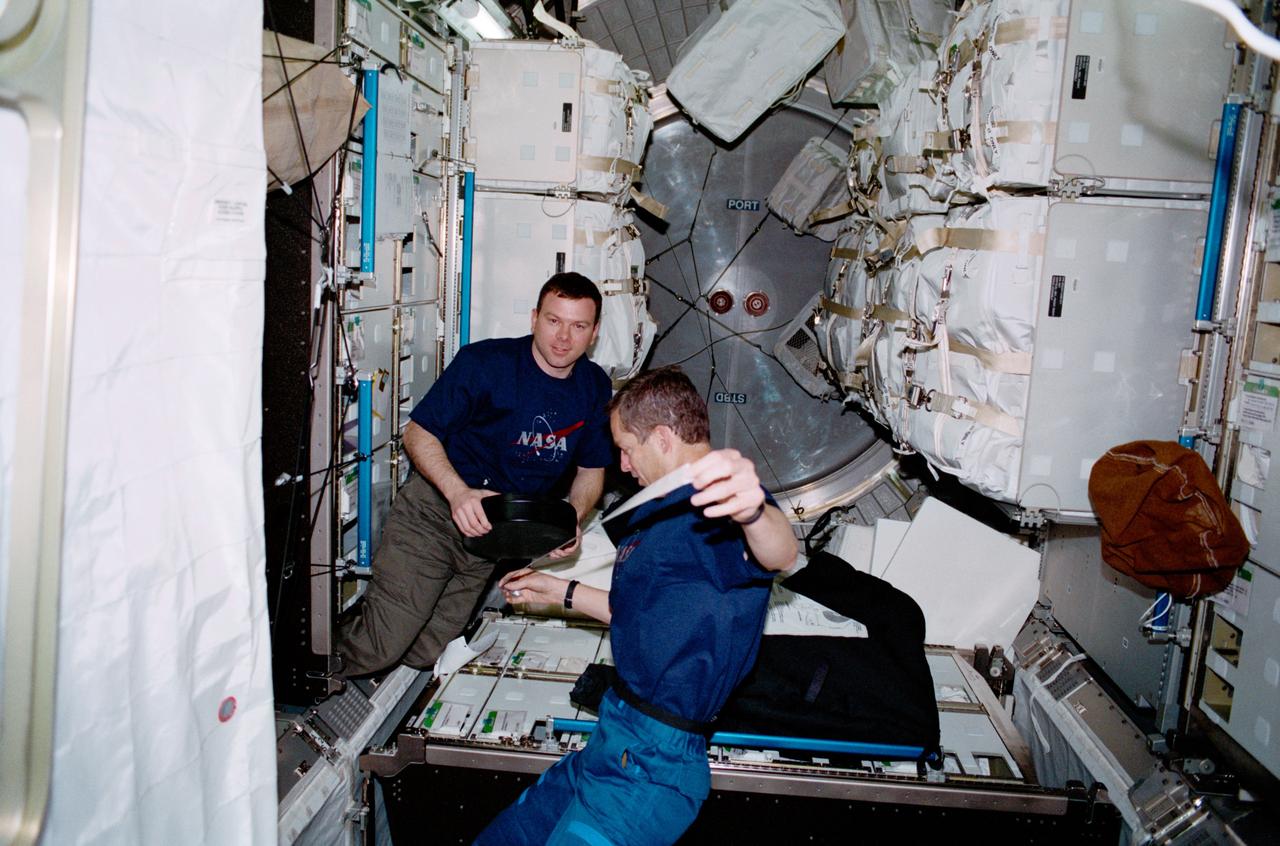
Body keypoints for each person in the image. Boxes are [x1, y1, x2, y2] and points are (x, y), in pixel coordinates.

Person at [474, 366, 798, 846]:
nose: (623, 466)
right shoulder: (660, 510)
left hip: (651, 765)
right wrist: (560, 591)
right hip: (613, 735)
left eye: (626, 448)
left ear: (663, 438)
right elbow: (643, 615)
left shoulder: (720, 506)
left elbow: (779, 554)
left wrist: (753, 513)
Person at [336, 272, 613, 676]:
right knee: (381, 645)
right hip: (436, 515)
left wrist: (572, 518)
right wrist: (458, 493)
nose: (563, 337)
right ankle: (301, 683)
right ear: (534, 317)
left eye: (579, 326)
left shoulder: (594, 386)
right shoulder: (486, 363)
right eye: (554, 320)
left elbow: (592, 468)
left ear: (595, 332)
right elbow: (418, 433)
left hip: (495, 537)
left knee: (426, 653)